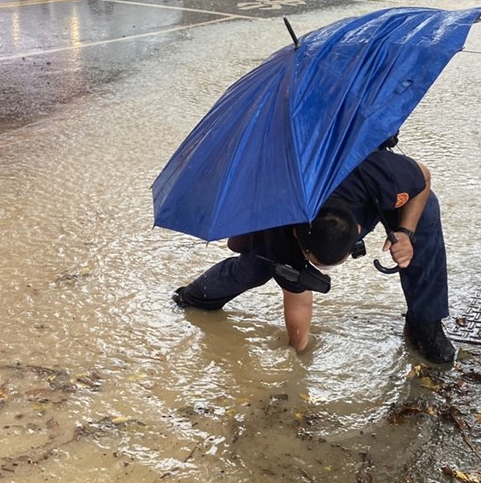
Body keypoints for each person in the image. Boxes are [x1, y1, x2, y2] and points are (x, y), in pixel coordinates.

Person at [172, 147, 455, 365]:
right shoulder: (284, 229)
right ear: (299, 237)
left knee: (425, 210)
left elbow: (424, 177)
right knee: (256, 266)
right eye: (316, 263)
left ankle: (425, 323)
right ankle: (195, 297)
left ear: (357, 230)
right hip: (292, 192)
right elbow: (299, 301)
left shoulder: (378, 173)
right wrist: (299, 353)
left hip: (350, 167)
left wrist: (405, 232)